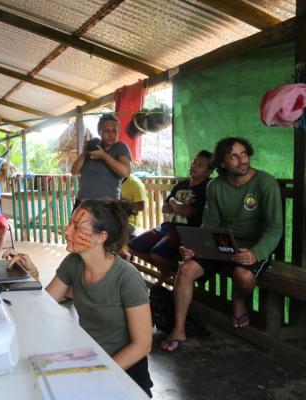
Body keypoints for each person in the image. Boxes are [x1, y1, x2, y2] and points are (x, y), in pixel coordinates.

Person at [3, 200, 153, 396]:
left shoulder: (127, 277)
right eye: (69, 224)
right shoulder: (73, 263)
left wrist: (100, 375)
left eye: (77, 227)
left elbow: (142, 345)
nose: (66, 231)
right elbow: (44, 303)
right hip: (89, 359)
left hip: (125, 372)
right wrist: (31, 273)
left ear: (101, 237)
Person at [161, 138, 282, 352]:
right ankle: (179, 329)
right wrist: (195, 247)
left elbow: (275, 227)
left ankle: (238, 300)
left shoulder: (265, 183)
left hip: (253, 245)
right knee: (186, 268)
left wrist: (256, 253)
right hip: (222, 243)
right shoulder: (215, 186)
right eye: (234, 156)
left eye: (244, 153)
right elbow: (210, 224)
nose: (242, 160)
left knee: (243, 276)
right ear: (223, 163)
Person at [129, 150, 214, 283]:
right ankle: (171, 269)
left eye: (200, 165)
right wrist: (177, 205)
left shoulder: (207, 187)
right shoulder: (181, 184)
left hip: (186, 231)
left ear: (209, 171)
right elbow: (164, 208)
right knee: (134, 246)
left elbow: (187, 212)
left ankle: (170, 272)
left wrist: (173, 201)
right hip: (167, 226)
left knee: (156, 254)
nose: (194, 166)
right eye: (193, 162)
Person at [71, 113, 131, 209]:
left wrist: (103, 156)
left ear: (117, 132)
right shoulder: (93, 147)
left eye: (114, 131)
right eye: (107, 130)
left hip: (108, 206)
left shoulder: (120, 147)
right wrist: (84, 153)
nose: (110, 134)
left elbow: (125, 171)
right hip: (83, 203)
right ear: (99, 132)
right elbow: (74, 171)